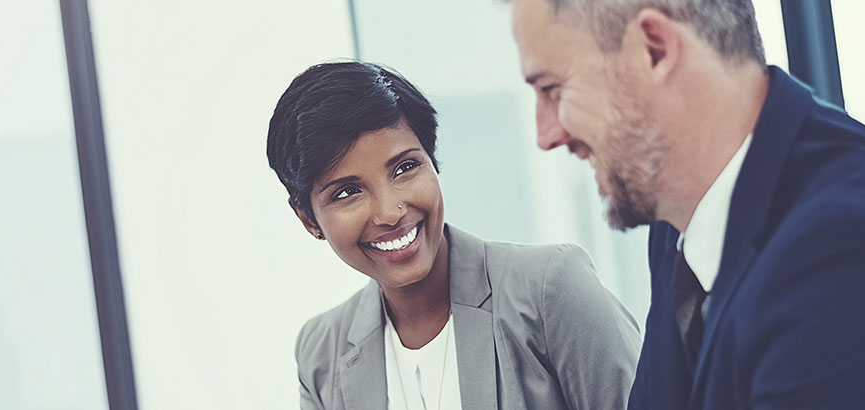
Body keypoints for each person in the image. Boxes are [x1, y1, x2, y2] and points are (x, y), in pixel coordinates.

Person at [505, 0, 865, 408]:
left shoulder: (850, 256)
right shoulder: (681, 224)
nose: (545, 133)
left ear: (654, 48)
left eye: (552, 89)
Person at [267, 61, 642, 410]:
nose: (389, 212)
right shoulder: (321, 353)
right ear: (308, 219)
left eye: (405, 167)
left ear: (434, 162)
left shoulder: (550, 289)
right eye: (347, 192)